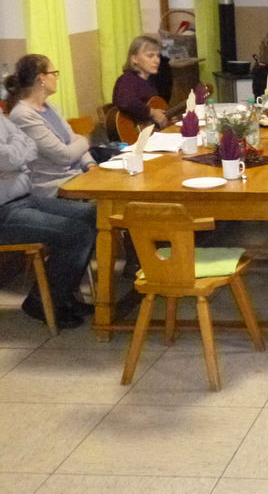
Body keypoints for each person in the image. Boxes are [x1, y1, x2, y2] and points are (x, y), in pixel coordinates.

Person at [0, 112, 96, 329]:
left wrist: (15, 155)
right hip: (4, 210)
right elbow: (8, 159)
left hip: (24, 198)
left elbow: (28, 148)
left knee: (94, 215)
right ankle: (43, 301)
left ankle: (61, 294)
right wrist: (17, 154)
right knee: (76, 232)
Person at [7, 54, 97, 197]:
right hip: (55, 187)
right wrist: (85, 139)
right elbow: (65, 156)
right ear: (42, 78)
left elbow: (72, 140)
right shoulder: (23, 115)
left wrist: (90, 165)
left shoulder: (50, 106)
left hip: (77, 176)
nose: (56, 77)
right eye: (54, 73)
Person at [112, 35, 169, 128]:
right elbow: (125, 101)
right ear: (134, 59)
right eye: (150, 56)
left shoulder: (150, 81)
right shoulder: (127, 79)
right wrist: (152, 112)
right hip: (132, 132)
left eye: (158, 56)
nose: (157, 61)